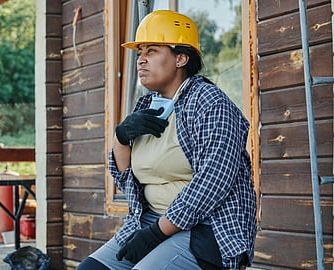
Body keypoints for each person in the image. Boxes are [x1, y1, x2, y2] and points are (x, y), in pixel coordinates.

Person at [76, 10, 257, 270]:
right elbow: (126, 179)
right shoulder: (147, 105)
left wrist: (157, 233)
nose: (141, 60)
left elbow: (213, 181)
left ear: (181, 58)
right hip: (150, 221)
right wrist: (121, 136)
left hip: (206, 228)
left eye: (151, 51)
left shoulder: (211, 104)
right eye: (140, 53)